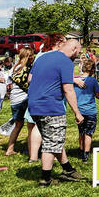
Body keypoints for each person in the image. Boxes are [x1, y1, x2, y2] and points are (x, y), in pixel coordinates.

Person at [27, 34, 85, 186]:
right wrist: (77, 112)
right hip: (51, 107)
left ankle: (68, 169)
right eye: (78, 52)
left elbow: (29, 79)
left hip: (34, 106)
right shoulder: (65, 62)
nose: (77, 56)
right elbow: (68, 89)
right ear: (74, 49)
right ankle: (45, 179)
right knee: (51, 144)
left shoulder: (42, 57)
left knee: (53, 139)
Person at [4, 47, 35, 157]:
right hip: (23, 99)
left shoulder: (15, 67)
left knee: (18, 125)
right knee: (31, 125)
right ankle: (32, 150)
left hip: (14, 99)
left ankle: (10, 148)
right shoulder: (26, 68)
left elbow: (8, 82)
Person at [74, 58, 99, 163]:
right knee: (88, 133)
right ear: (93, 70)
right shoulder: (93, 81)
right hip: (90, 111)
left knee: (81, 131)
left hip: (79, 110)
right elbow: (98, 95)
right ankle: (86, 154)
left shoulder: (76, 80)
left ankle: (81, 150)